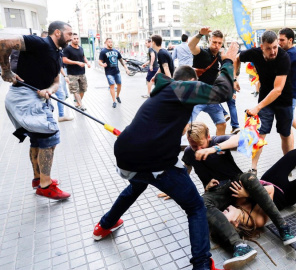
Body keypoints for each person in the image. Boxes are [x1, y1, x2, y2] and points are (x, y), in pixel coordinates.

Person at [92, 42, 239, 270]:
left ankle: (104, 225)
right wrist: (228, 61)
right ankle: (202, 265)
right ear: (190, 82)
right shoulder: (182, 89)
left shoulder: (162, 94)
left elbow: (166, 129)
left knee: (137, 184)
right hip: (154, 159)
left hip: (127, 154)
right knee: (195, 208)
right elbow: (222, 92)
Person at [176, 122, 296, 269]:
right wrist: (183, 188)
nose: (198, 150)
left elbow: (245, 137)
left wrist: (214, 149)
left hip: (236, 183)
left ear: (208, 137)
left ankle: (283, 227)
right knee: (201, 203)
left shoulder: (216, 142)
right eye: (193, 146)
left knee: (248, 176)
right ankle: (240, 246)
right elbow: (186, 169)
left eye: (201, 145)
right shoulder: (188, 152)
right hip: (218, 192)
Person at [0, 21, 73, 199]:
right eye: (69, 34)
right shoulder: (40, 43)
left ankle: (38, 179)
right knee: (51, 135)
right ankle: (46, 186)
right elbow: (3, 43)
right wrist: (6, 70)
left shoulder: (57, 53)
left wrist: (49, 90)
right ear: (57, 33)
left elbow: (56, 82)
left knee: (38, 139)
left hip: (37, 97)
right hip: (24, 97)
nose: (71, 38)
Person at [234, 31, 293, 176]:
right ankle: (253, 169)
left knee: (285, 134)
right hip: (265, 100)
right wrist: (235, 77)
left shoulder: (284, 57)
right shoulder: (254, 53)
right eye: (269, 48)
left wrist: (257, 107)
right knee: (259, 134)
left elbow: (278, 90)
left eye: (275, 47)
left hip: (283, 101)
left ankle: (288, 166)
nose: (273, 51)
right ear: (262, 47)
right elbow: (237, 58)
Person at [188, 27, 229, 136]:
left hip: (211, 97)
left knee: (222, 124)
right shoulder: (202, 53)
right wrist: (200, 34)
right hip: (196, 96)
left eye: (219, 43)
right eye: (214, 42)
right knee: (187, 125)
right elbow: (191, 46)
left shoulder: (219, 57)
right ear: (209, 40)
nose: (217, 45)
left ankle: (218, 148)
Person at [98, 38, 130, 108]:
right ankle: (114, 101)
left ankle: (117, 96)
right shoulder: (103, 51)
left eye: (111, 42)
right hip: (109, 73)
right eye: (109, 42)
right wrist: (102, 64)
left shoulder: (116, 51)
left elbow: (121, 61)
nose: (111, 43)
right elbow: (99, 61)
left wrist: (126, 69)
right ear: (106, 43)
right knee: (112, 86)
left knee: (119, 85)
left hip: (117, 72)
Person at [63, 33, 90, 112]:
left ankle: (78, 102)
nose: (76, 40)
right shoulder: (67, 49)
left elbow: (83, 56)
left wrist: (87, 62)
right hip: (72, 74)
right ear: (71, 39)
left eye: (77, 38)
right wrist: (77, 62)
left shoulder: (81, 48)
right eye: (74, 38)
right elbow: (64, 60)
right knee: (75, 90)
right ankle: (81, 105)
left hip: (82, 72)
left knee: (83, 89)